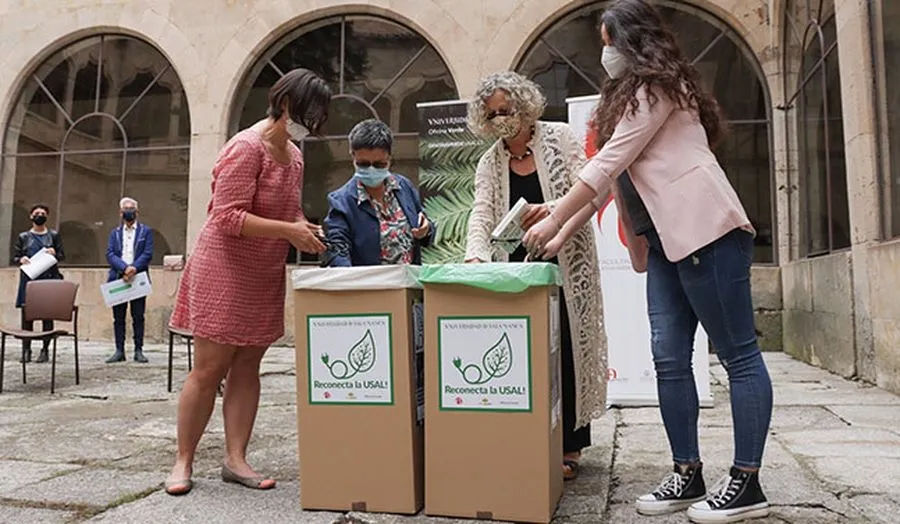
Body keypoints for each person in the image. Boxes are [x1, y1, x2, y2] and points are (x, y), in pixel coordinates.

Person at [522, 1, 773, 522]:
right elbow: (603, 185)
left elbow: (610, 159)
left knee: (739, 356)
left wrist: (554, 218)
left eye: (606, 40)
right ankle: (687, 472)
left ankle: (747, 482)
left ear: (629, 40)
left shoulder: (657, 88)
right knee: (668, 360)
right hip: (664, 243)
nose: (603, 52)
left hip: (707, 230)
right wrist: (556, 225)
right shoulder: (628, 102)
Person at [165, 68, 331, 496]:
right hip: (224, 268)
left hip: (262, 271)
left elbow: (289, 211)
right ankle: (183, 461)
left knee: (248, 366)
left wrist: (303, 228)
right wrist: (287, 231)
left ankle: (235, 459)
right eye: (307, 115)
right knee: (208, 368)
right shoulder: (245, 147)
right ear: (286, 104)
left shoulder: (293, 155)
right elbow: (228, 216)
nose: (309, 126)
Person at [464, 71, 608, 481]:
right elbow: (481, 211)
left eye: (505, 111)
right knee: (524, 353)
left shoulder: (559, 138)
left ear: (525, 107)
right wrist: (475, 257)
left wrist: (557, 224)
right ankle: (526, 434)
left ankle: (570, 446)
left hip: (566, 259)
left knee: (565, 346)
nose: (499, 120)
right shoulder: (489, 160)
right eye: (490, 115)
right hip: (516, 271)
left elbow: (591, 192)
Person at [323, 119, 434, 266]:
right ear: (353, 156)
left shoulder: (404, 187)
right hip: (370, 285)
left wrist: (425, 230)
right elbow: (337, 251)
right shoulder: (341, 202)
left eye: (379, 164)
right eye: (363, 164)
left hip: (409, 283)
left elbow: (425, 225)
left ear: (389, 157)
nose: (371, 170)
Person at [11, 204, 65, 363]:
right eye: (37, 213)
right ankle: (26, 350)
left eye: (43, 213)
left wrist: (54, 253)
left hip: (48, 278)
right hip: (29, 279)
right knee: (27, 316)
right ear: (31, 216)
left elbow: (62, 255)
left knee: (47, 316)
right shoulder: (23, 237)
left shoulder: (53, 235)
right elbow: (15, 257)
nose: (40, 215)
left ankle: (45, 350)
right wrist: (21, 259)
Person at [105, 197, 154, 364]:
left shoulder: (145, 231)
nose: (128, 211)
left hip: (138, 278)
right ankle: (119, 350)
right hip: (118, 279)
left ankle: (138, 350)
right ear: (120, 213)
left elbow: (147, 253)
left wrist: (134, 268)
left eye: (131, 208)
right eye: (125, 208)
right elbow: (110, 254)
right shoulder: (114, 233)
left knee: (138, 315)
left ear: (137, 212)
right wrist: (124, 268)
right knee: (118, 317)